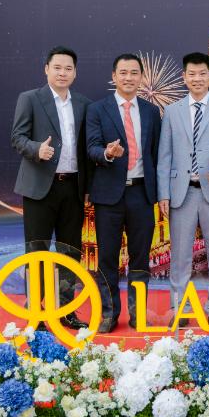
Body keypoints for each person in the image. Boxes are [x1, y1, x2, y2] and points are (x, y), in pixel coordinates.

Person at [10, 45, 90, 330]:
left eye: (68, 68)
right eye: (57, 67)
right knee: (37, 251)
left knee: (71, 251)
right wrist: (36, 149)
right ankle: (36, 311)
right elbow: (17, 137)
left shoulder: (84, 104)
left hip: (73, 187)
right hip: (39, 188)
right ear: (46, 69)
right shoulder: (30, 99)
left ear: (75, 72)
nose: (62, 73)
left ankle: (66, 310)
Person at [157, 52, 209, 328]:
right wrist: (163, 193)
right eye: (192, 74)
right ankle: (180, 307)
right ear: (184, 77)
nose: (197, 78)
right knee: (180, 255)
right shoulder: (172, 111)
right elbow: (164, 155)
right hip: (182, 192)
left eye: (202, 73)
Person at [86, 53, 161, 333]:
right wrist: (107, 153)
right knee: (107, 258)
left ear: (141, 77)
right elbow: (91, 147)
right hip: (109, 196)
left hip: (142, 193)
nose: (128, 78)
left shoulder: (151, 111)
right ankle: (109, 314)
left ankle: (137, 313)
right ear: (114, 76)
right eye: (123, 73)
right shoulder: (97, 109)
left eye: (134, 73)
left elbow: (156, 154)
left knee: (140, 258)